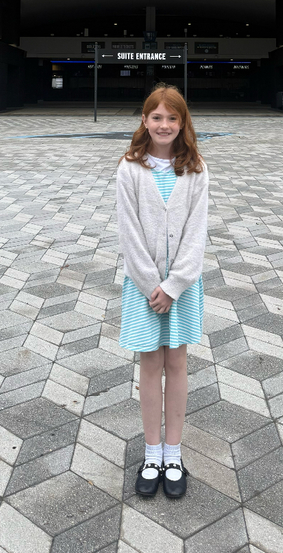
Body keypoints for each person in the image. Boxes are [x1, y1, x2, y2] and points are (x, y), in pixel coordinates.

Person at [117, 83, 208, 499]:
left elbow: (196, 234)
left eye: (173, 118)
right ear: (144, 120)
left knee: (178, 363)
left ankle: (174, 453)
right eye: (157, 117)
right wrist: (152, 285)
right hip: (143, 287)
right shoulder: (130, 168)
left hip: (184, 287)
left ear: (183, 122)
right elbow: (129, 233)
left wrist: (173, 286)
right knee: (150, 365)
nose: (165, 124)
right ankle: (152, 452)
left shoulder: (195, 169)